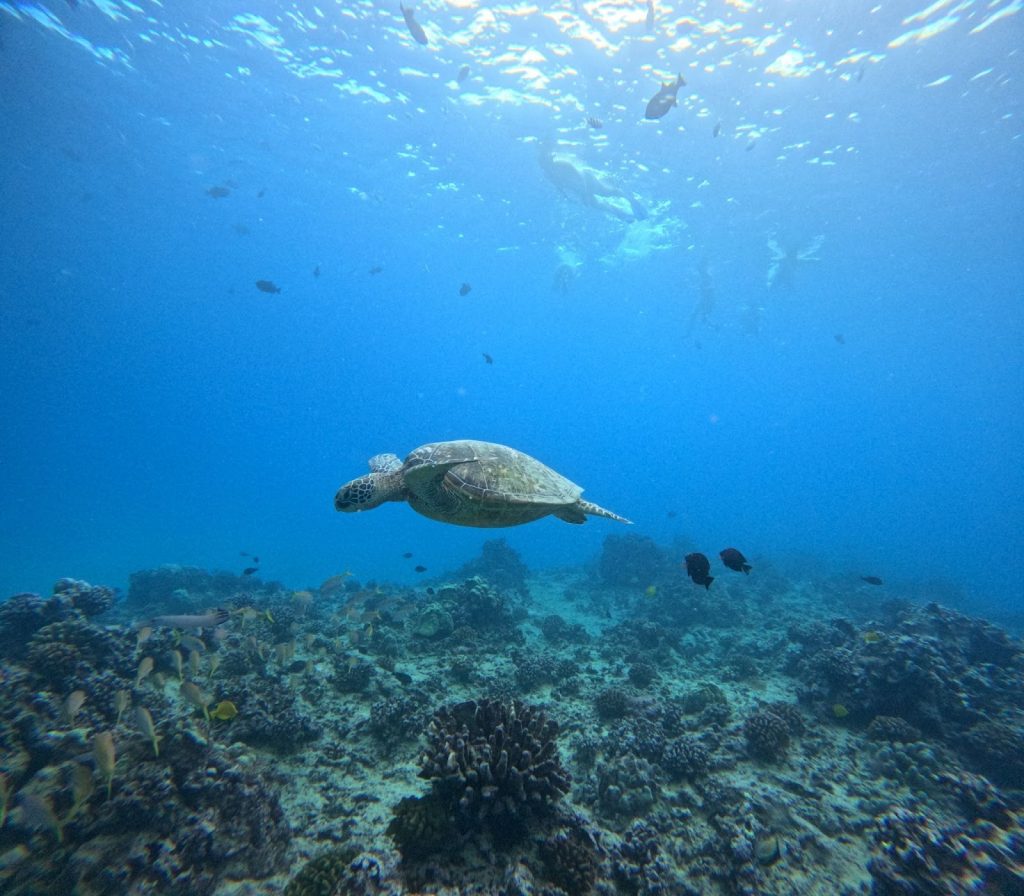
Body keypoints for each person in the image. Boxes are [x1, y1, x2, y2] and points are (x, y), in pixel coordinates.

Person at [537, 142, 648, 223]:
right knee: (596, 205)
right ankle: (623, 215)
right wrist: (568, 197)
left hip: (587, 179)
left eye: (546, 163)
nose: (546, 167)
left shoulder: (562, 164)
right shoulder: (549, 175)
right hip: (579, 188)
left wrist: (585, 192)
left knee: (606, 192)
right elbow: (559, 188)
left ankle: (631, 200)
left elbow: (579, 176)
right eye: (544, 165)